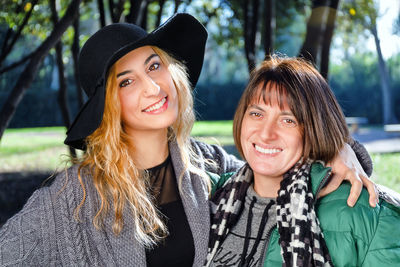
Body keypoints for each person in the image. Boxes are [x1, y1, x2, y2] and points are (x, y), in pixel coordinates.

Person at [0, 14, 375, 266]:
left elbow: (281, 161)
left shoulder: (210, 167)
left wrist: (340, 149)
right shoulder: (72, 195)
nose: (152, 87)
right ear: (107, 106)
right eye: (126, 81)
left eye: (154, 65)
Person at [205, 56, 400, 267]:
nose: (266, 134)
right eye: (256, 114)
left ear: (315, 128)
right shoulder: (209, 196)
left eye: (288, 120)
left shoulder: (370, 215)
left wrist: (339, 146)